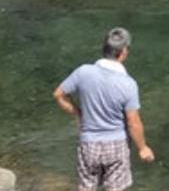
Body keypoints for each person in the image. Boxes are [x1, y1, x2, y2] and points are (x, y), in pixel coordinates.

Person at [53, 28, 154, 191]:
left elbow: (58, 95)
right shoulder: (128, 83)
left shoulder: (83, 72)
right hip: (116, 145)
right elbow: (133, 123)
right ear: (123, 52)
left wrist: (78, 114)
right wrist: (143, 148)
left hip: (88, 144)